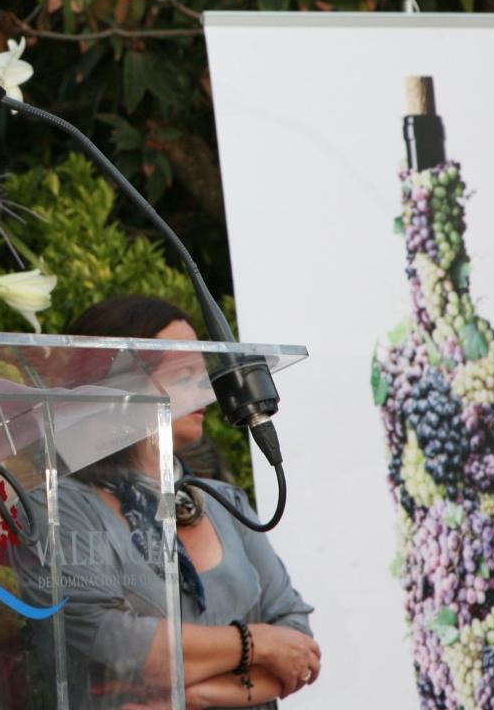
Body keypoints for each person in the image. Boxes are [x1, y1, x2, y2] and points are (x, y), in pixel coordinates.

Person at [21, 295, 320, 710]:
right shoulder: (61, 508)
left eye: (203, 374)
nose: (206, 390)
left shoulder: (223, 502)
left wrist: (197, 696)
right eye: (184, 375)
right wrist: (259, 643)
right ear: (119, 387)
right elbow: (122, 646)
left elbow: (299, 643)